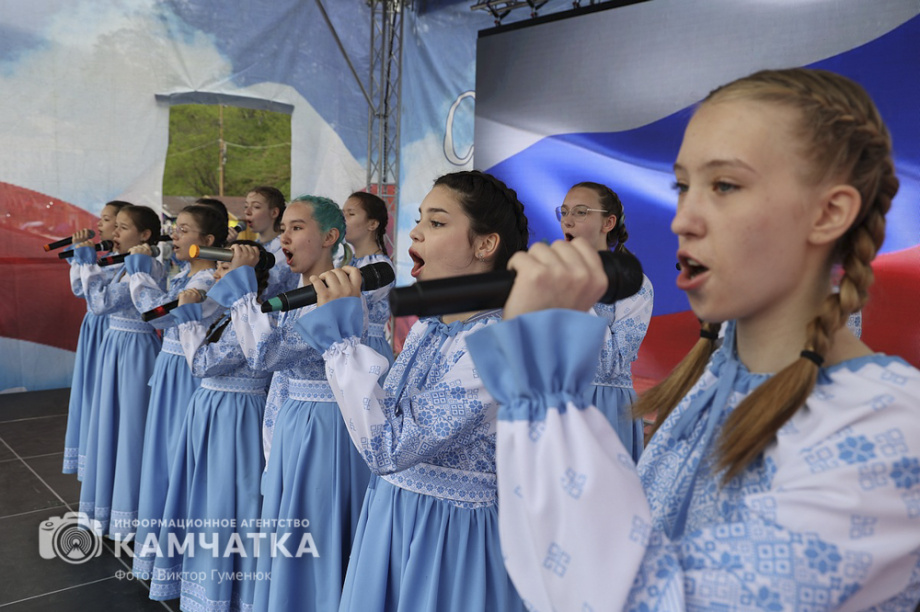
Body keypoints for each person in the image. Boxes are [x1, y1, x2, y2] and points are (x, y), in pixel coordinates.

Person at [462, 68, 920, 610]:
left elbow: (642, 599)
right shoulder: (706, 387)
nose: (685, 219)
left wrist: (543, 377)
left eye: (724, 185)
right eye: (683, 186)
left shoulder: (885, 426)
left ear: (829, 213)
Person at [296, 170, 531, 612]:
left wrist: (343, 344)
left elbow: (389, 446)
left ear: (485, 245)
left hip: (447, 537)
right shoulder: (430, 327)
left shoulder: (497, 345)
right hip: (393, 512)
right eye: (420, 218)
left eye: (437, 223)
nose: (417, 231)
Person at [207, 195, 387, 611]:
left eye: (296, 228)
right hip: (295, 420)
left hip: (323, 426)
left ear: (330, 237)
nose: (283, 237)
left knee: (316, 526)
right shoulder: (303, 290)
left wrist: (240, 289)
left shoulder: (339, 295)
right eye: (283, 228)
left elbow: (265, 355)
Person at [148, 246, 271, 612]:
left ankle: (229, 590)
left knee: (228, 501)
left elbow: (203, 362)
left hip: (235, 417)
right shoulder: (229, 315)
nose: (217, 272)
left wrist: (187, 317)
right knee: (204, 494)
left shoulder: (253, 316)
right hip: (213, 411)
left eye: (225, 267)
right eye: (217, 266)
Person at [128, 204, 226, 575]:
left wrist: (138, 274)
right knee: (162, 459)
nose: (175, 236)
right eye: (175, 228)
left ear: (208, 242)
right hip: (170, 368)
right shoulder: (186, 274)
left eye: (184, 230)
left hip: (188, 373)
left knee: (177, 462)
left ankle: (180, 558)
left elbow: (157, 313)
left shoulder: (208, 284)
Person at [75, 205, 166, 539]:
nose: (114, 233)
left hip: (135, 352)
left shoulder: (147, 266)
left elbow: (99, 303)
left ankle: (132, 511)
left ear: (144, 235)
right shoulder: (125, 266)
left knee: (130, 430)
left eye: (123, 227)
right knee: (111, 425)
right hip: (116, 348)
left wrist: (86, 261)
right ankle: (111, 506)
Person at [557, 182, 653, 460]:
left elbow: (613, 363)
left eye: (581, 212)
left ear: (608, 222)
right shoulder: (549, 277)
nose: (568, 220)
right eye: (563, 212)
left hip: (603, 408)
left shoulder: (633, 283)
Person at [62, 199, 130, 477]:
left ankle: (105, 457)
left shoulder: (129, 263)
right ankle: (90, 454)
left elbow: (98, 298)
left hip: (111, 328)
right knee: (90, 390)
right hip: (96, 326)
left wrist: (87, 262)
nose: (99, 225)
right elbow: (81, 290)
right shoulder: (106, 258)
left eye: (106, 219)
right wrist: (80, 260)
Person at [342, 191, 396, 365]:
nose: (343, 219)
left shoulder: (382, 267)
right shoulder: (348, 261)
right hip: (348, 347)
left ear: (372, 224)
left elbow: (350, 304)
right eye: (342, 214)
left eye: (350, 214)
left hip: (369, 350)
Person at [243, 185, 299, 297]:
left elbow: (266, 288)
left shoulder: (285, 248)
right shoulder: (254, 246)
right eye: (246, 206)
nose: (247, 212)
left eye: (256, 207)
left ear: (274, 213)